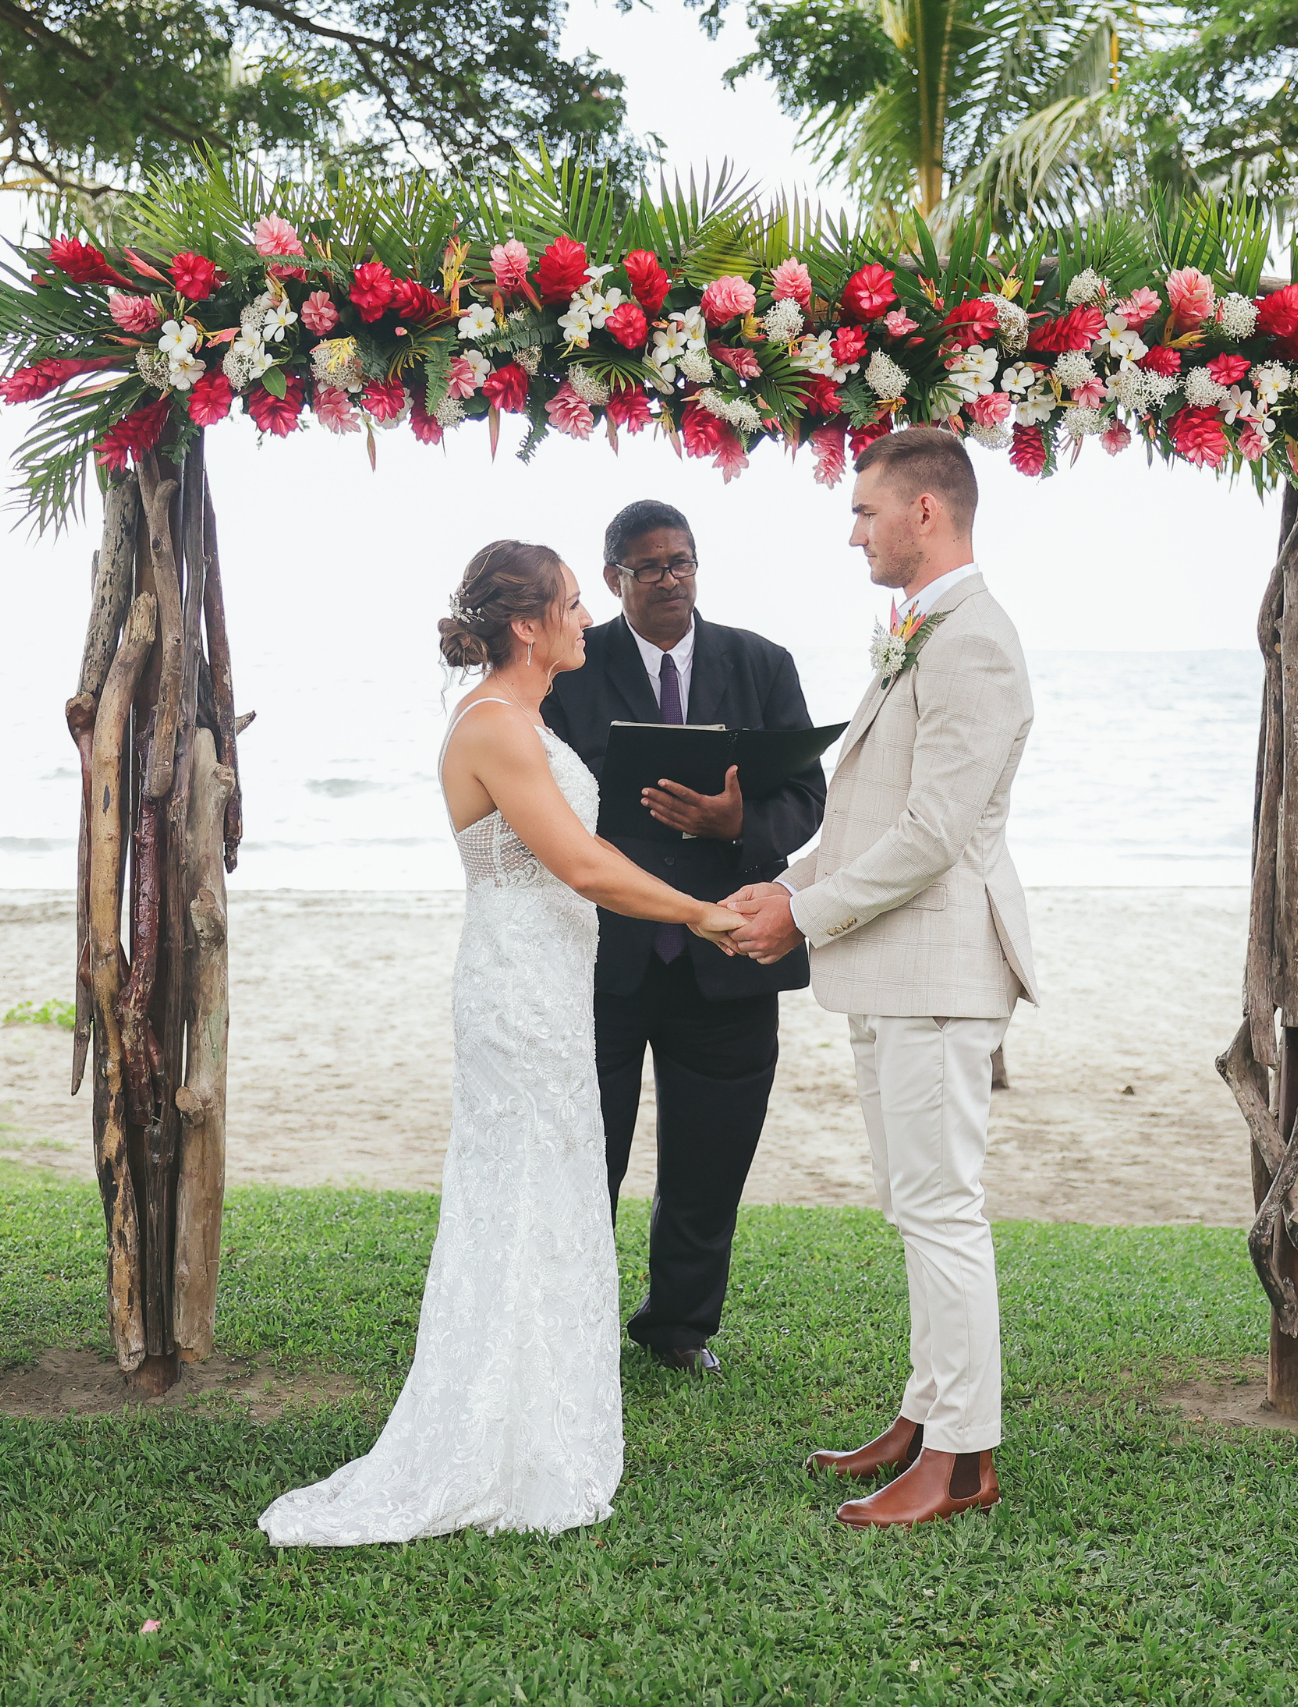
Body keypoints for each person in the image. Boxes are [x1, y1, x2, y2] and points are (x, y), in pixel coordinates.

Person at [258, 541, 746, 1547]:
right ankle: (493, 1436)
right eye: (571, 605)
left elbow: (588, 856)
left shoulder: (518, 716)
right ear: (527, 625)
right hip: (518, 986)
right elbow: (580, 863)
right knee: (522, 1189)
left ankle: (536, 1415)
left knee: (547, 1188)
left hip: (545, 979)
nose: (582, 619)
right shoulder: (495, 724)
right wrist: (703, 916)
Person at [725, 428, 1039, 1529]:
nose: (851, 529)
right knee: (914, 1210)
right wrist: (780, 888)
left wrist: (802, 914)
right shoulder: (921, 633)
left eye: (864, 510)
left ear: (924, 513)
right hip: (886, 969)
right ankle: (921, 1414)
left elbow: (932, 834)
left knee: (944, 1210)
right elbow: (865, 818)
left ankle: (963, 1459)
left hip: (940, 972)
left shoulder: (974, 643)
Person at [542, 499, 827, 1378]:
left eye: (683, 562)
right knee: (588, 1153)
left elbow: (808, 797)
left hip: (727, 953)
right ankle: (574, 1323)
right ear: (613, 577)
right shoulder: (573, 672)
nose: (670, 578)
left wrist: (739, 823)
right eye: (649, 565)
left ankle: (679, 1329)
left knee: (711, 1159)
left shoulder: (762, 664)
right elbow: (548, 804)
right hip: (604, 955)